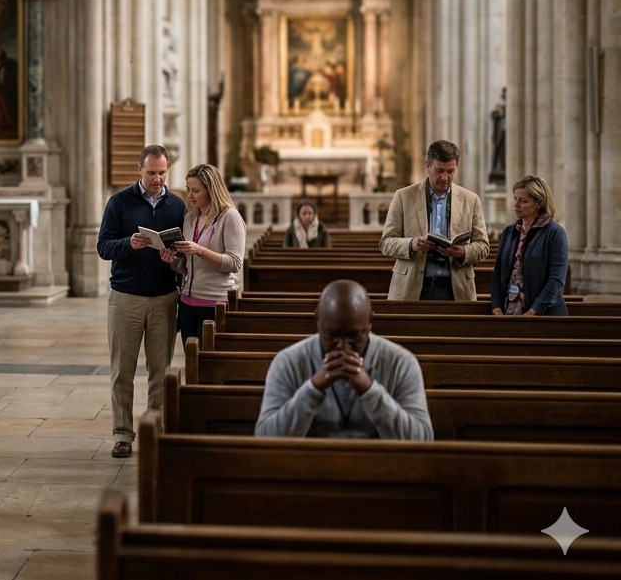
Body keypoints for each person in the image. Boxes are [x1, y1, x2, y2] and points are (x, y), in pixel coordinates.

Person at [255, 280, 433, 440]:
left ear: (370, 322)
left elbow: (422, 439)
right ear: (317, 320)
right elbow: (265, 437)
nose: (342, 346)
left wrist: (369, 391)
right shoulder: (288, 361)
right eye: (331, 335)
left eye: (354, 336)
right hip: (307, 468)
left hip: (380, 469)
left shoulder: (401, 362)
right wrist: (313, 389)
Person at [97, 145, 188, 459]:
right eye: (152, 172)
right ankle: (123, 434)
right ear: (140, 170)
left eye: (163, 172)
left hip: (164, 296)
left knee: (160, 371)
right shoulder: (119, 202)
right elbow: (104, 247)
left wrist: (172, 257)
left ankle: (155, 428)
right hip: (126, 298)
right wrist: (129, 243)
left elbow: (184, 254)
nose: (158, 179)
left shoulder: (177, 205)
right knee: (122, 371)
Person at [379, 140, 490, 301]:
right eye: (439, 171)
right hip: (412, 288)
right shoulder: (404, 196)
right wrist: (412, 244)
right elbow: (386, 242)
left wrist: (463, 252)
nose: (445, 177)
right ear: (427, 165)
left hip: (457, 290)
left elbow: (483, 245)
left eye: (451, 171)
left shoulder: (471, 200)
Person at [162, 163, 246, 348]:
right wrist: (173, 261)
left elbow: (234, 263)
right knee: (191, 360)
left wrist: (200, 250)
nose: (190, 195)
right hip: (187, 303)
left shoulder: (229, 217)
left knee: (208, 364)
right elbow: (187, 266)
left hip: (215, 304)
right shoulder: (190, 218)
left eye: (196, 190)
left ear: (211, 190)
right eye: (188, 189)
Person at [491, 175, 569, 316]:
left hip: (544, 314)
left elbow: (556, 281)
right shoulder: (509, 232)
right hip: (508, 311)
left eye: (523, 201)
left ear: (539, 203)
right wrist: (496, 306)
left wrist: (534, 311)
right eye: (515, 199)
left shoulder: (555, 233)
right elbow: (498, 274)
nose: (516, 205)